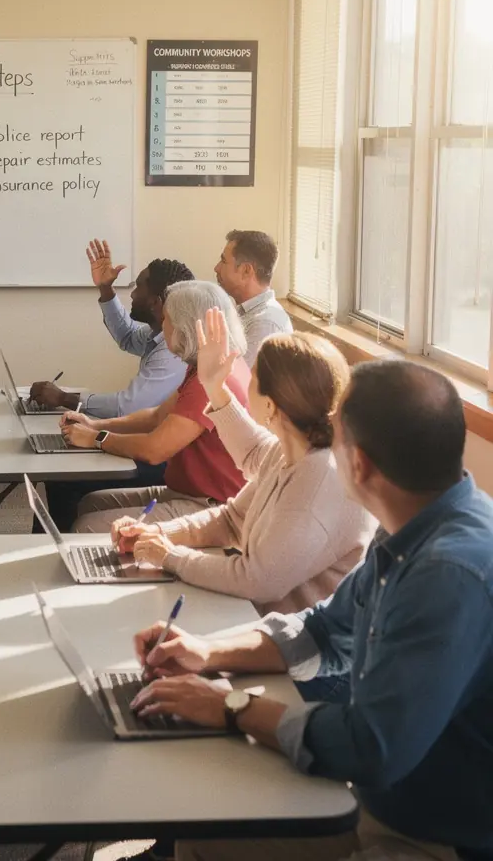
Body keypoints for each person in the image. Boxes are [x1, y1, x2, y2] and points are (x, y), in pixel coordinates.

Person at [129, 360, 493, 861]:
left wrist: (232, 708)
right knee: (203, 837)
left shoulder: (449, 574)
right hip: (385, 806)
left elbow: (371, 747)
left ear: (359, 464)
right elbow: (323, 629)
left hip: (443, 840)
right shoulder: (413, 524)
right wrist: (206, 651)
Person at [113, 308, 375, 614]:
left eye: (254, 377)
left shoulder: (318, 480)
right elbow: (230, 518)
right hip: (256, 622)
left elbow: (257, 581)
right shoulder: (291, 451)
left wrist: (169, 556)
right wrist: (158, 535)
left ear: (270, 405)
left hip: (292, 650)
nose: (245, 379)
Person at [65, 281, 252, 534]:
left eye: (166, 320)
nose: (162, 327)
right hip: (187, 493)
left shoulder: (212, 380)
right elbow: (156, 416)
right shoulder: (204, 367)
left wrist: (97, 438)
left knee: (86, 527)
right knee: (89, 504)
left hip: (212, 509)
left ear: (186, 327)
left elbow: (155, 450)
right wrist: (95, 424)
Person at [29, 242, 192, 530]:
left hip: (163, 462)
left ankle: (56, 558)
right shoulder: (160, 335)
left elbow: (130, 406)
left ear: (157, 302)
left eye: (139, 286)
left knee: (66, 479)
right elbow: (128, 336)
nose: (133, 292)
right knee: (64, 474)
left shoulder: (172, 352)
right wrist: (106, 289)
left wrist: (70, 402)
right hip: (150, 442)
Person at [213, 229, 292, 364]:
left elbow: (238, 383)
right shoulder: (244, 312)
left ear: (246, 270)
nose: (216, 268)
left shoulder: (265, 324)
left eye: (223, 261)